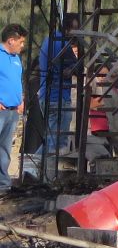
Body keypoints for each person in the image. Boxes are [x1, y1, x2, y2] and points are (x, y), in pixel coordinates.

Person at [38, 13, 80, 155]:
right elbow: (77, 69)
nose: (77, 33)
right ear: (68, 29)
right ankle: (47, 173)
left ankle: (31, 167)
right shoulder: (63, 45)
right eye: (75, 29)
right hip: (59, 97)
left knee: (50, 137)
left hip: (46, 96)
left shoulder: (48, 40)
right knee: (57, 142)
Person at [0, 24, 27, 193]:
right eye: (21, 42)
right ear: (11, 40)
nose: (22, 45)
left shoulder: (16, 59)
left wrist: (21, 98)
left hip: (12, 111)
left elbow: (17, 80)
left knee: (5, 149)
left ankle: (3, 183)